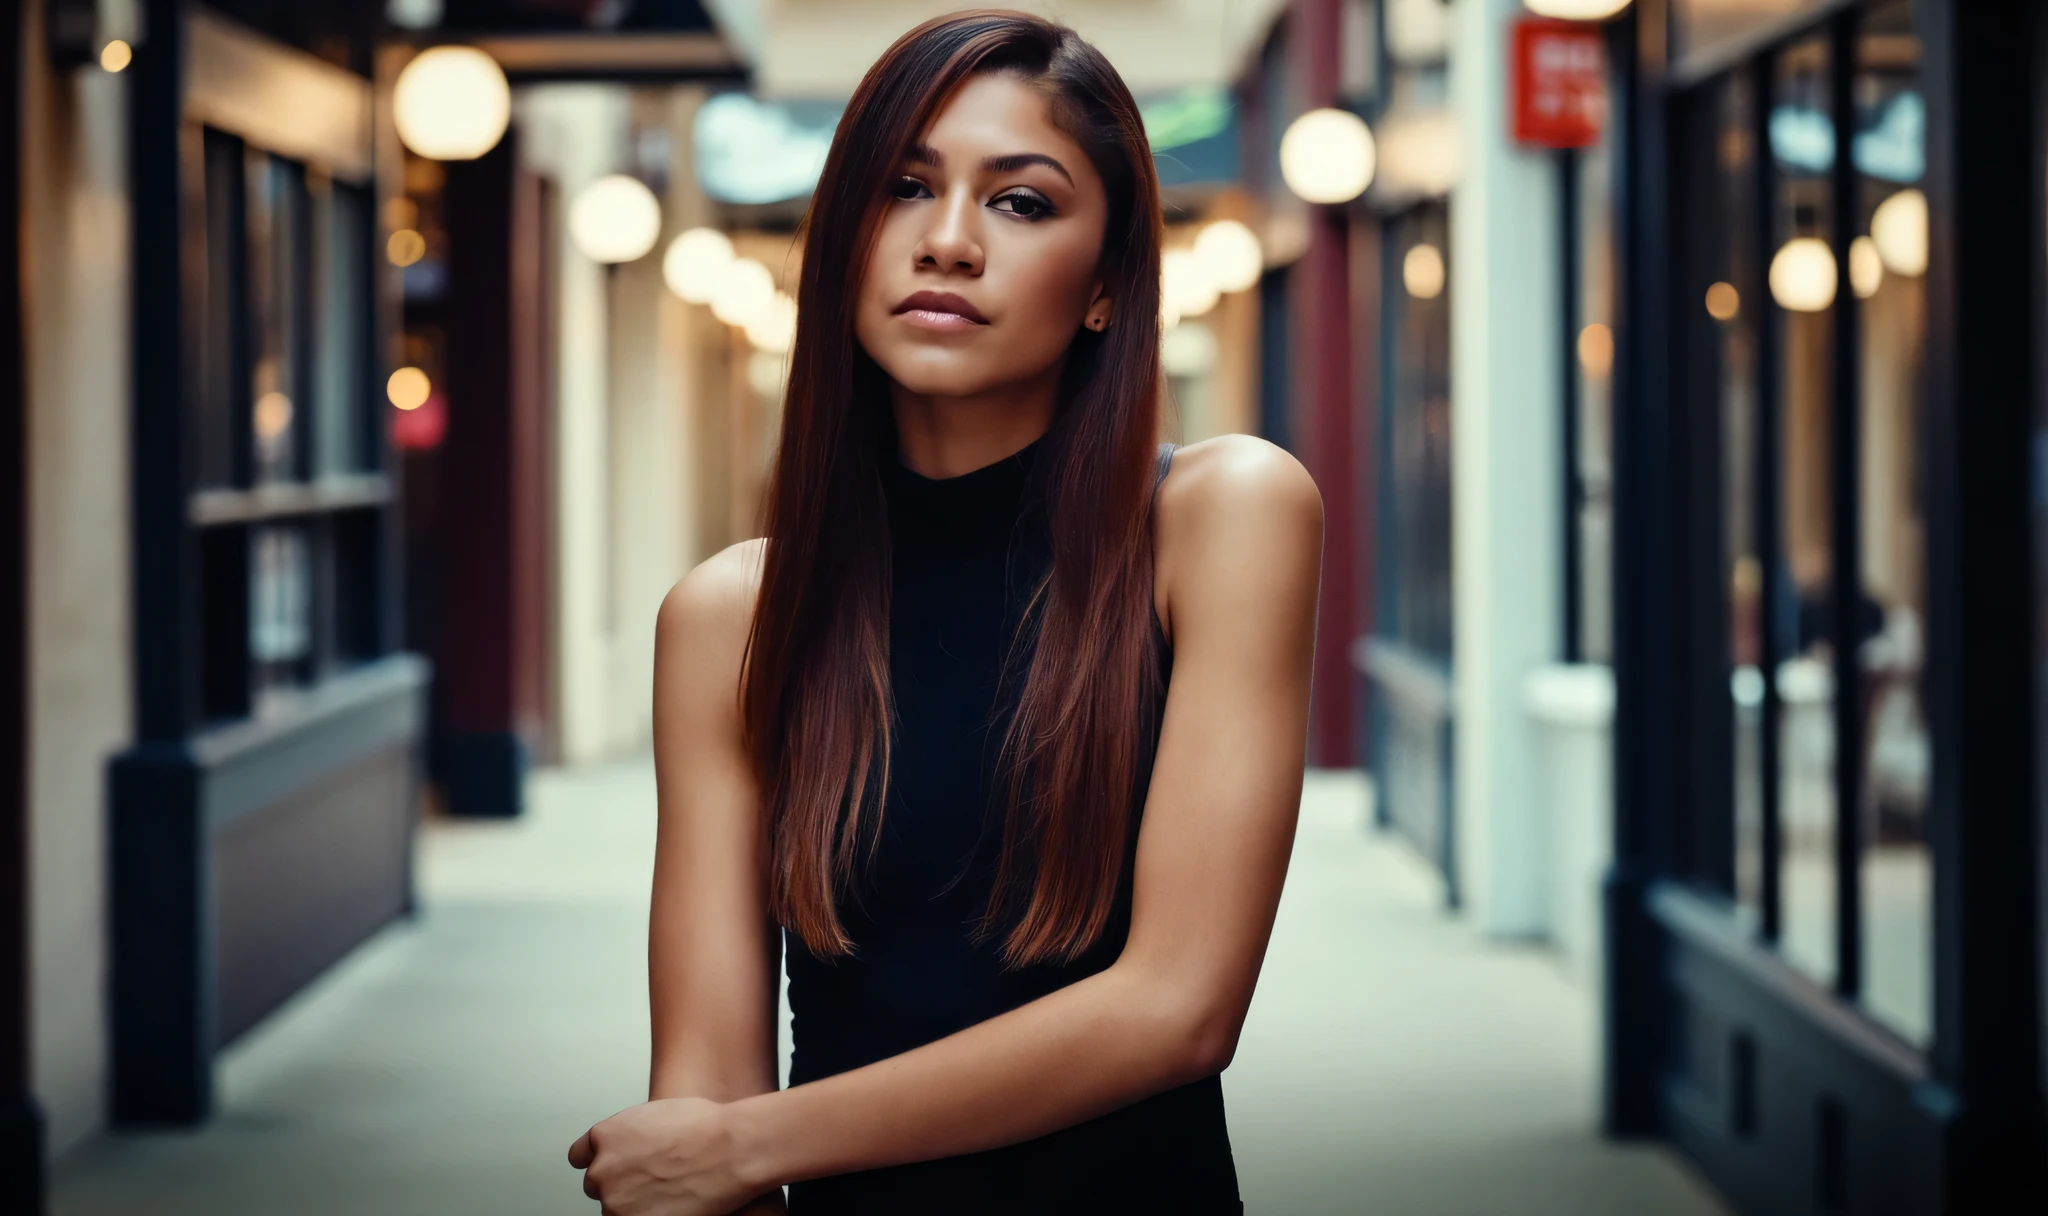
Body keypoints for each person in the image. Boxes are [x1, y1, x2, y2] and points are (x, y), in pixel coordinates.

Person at [568, 11, 1321, 1214]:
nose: (950, 242)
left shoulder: (1221, 516)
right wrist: (722, 1151)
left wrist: (754, 1144)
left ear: (1104, 289)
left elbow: (1177, 1007)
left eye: (1021, 202)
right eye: (904, 188)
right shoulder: (731, 615)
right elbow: (701, 1088)